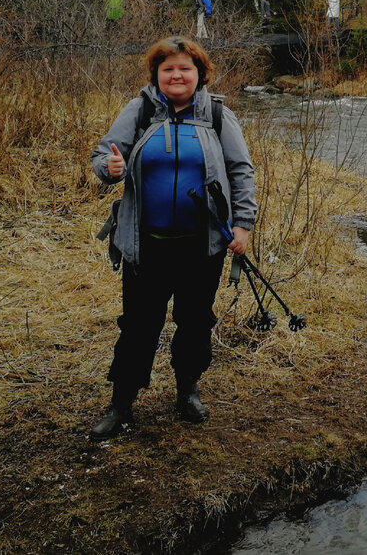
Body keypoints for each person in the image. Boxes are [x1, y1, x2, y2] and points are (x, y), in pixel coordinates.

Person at [89, 36, 256, 440]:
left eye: (185, 68)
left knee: (195, 321)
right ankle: (121, 403)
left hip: (203, 244)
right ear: (156, 74)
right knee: (138, 325)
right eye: (168, 69)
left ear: (199, 74)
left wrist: (243, 225)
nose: (177, 75)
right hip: (146, 243)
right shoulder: (141, 109)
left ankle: (187, 390)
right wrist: (110, 168)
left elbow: (240, 171)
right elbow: (103, 156)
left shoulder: (217, 114)